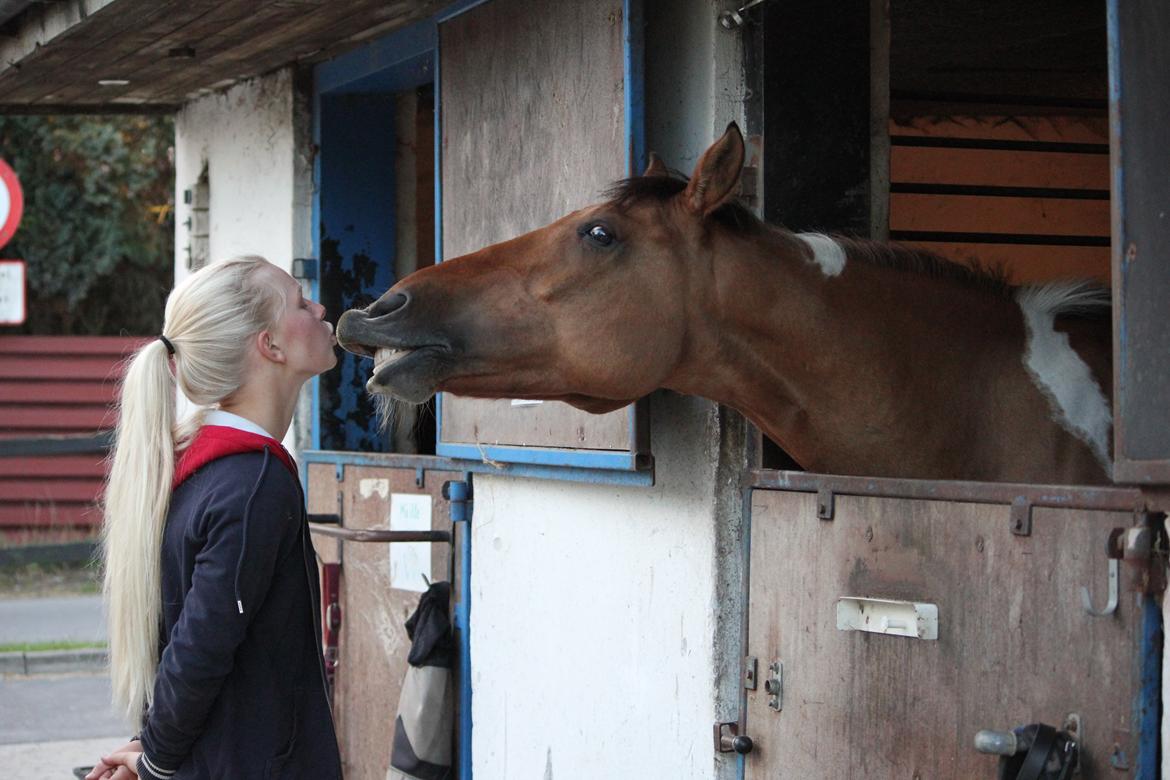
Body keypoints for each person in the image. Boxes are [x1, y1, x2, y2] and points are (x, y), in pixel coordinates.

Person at [86, 256, 342, 779]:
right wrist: (154, 759)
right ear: (269, 346)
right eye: (299, 301)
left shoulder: (203, 469)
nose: (319, 308)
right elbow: (196, 651)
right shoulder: (253, 485)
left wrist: (150, 749)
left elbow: (186, 637)